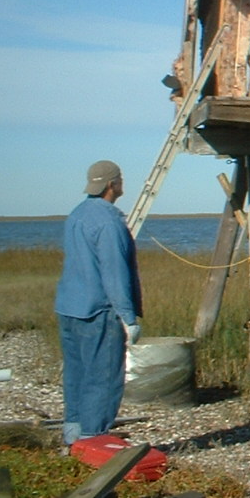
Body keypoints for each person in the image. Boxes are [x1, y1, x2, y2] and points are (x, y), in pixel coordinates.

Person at [55, 160, 143, 446]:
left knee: (77, 374)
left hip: (69, 307)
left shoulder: (77, 214)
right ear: (112, 185)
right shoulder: (109, 221)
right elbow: (114, 271)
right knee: (102, 379)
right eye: (120, 179)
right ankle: (93, 441)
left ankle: (73, 438)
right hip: (98, 310)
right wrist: (128, 317)